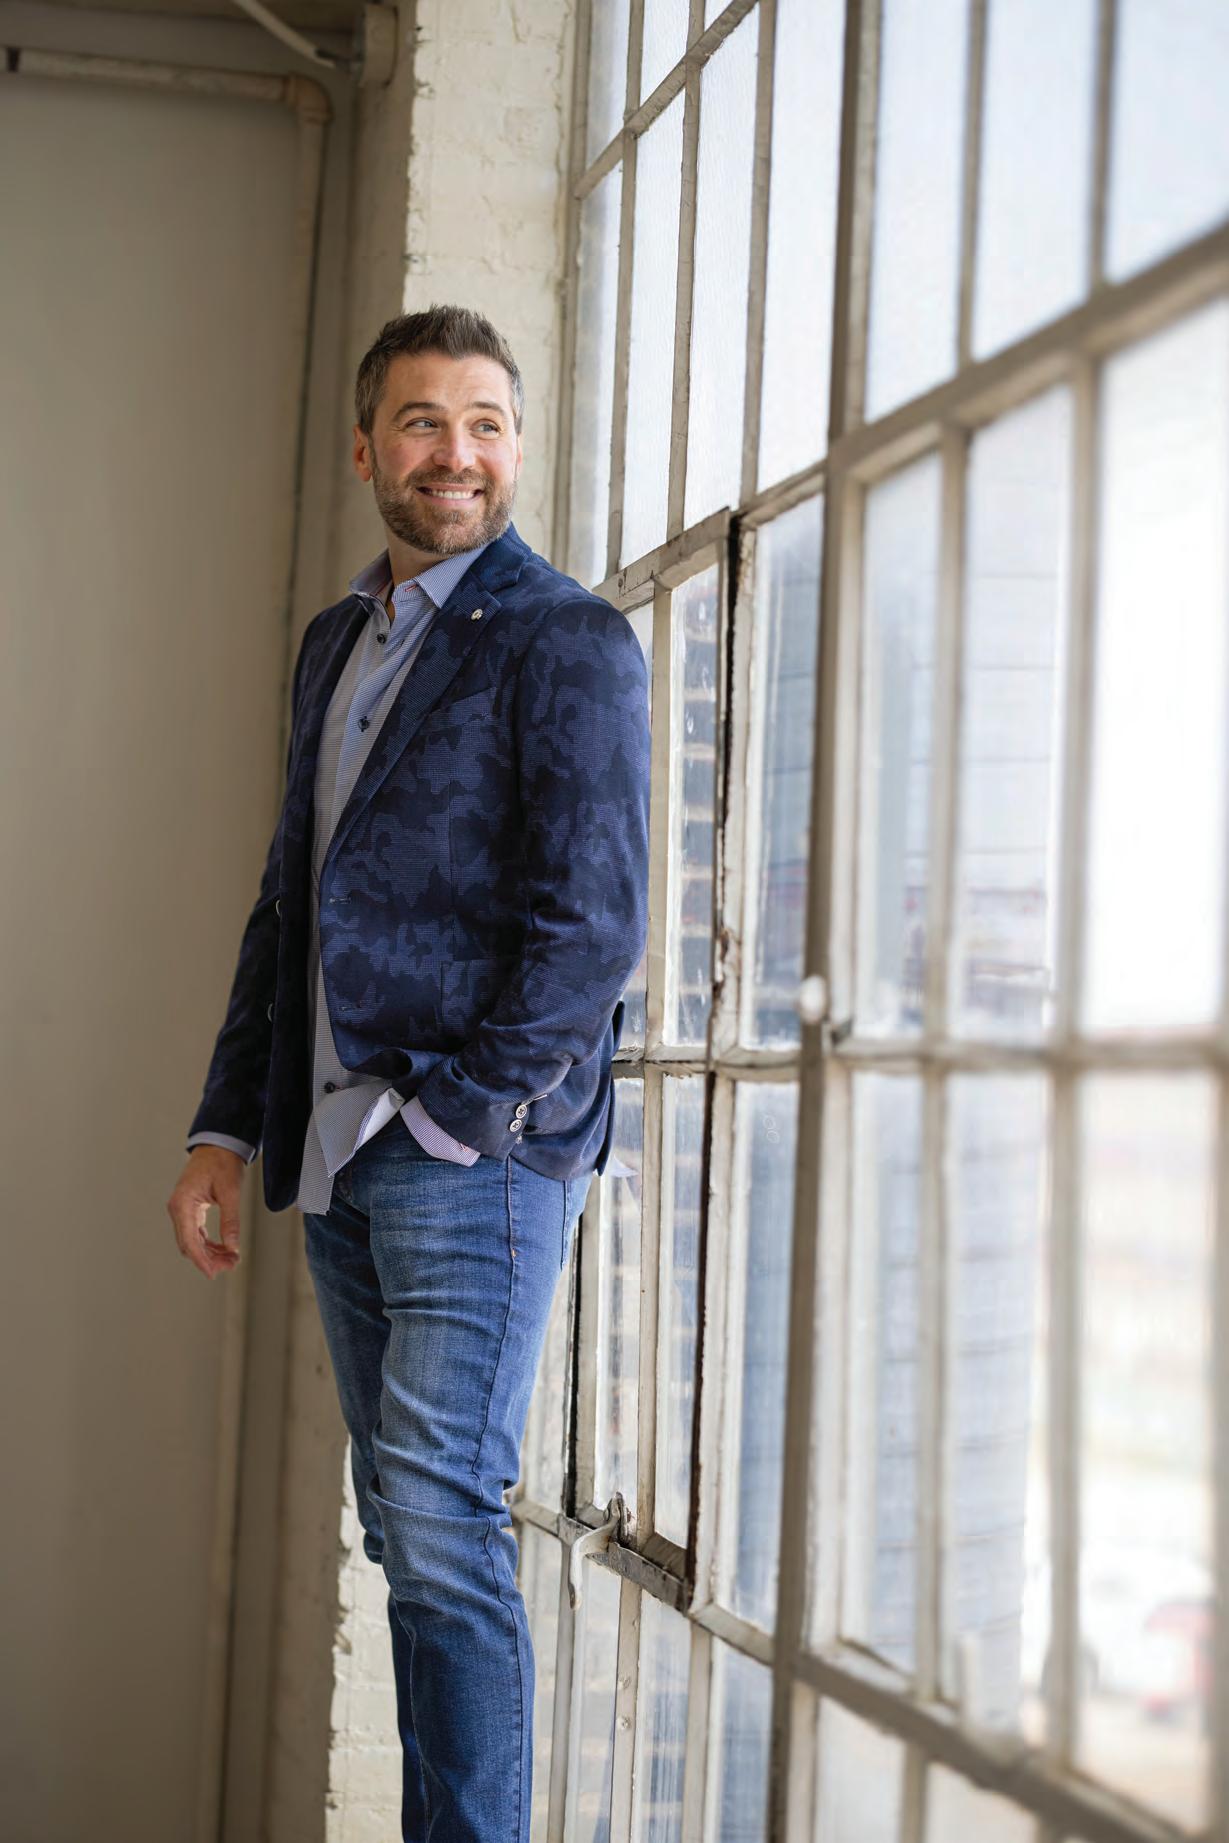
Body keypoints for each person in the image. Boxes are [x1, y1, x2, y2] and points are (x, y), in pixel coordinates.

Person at [165, 304, 651, 1843]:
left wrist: (458, 1115)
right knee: (403, 1534)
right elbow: (291, 901)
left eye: (485, 423)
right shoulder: (337, 642)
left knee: (442, 1533)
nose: (457, 452)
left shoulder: (567, 639)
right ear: (367, 447)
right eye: (425, 422)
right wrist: (224, 1129)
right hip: (332, 1150)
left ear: (517, 447)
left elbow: (595, 925)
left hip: (469, 1158)